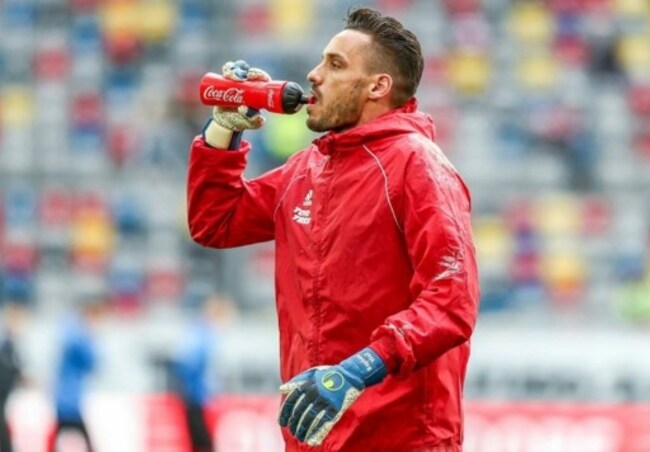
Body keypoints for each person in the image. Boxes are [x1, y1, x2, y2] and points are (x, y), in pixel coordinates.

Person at [187, 7, 479, 451]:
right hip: (314, 434)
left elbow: (452, 299)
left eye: (335, 64)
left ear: (378, 86)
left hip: (400, 438)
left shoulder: (416, 163)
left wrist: (359, 370)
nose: (314, 74)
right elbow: (215, 221)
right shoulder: (309, 167)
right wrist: (222, 129)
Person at [167, 293, 235, 452]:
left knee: (200, 439)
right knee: (203, 440)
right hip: (199, 398)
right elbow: (191, 365)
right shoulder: (203, 335)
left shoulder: (198, 333)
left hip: (197, 396)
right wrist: (196, 392)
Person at [49, 298, 104, 452]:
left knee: (62, 432)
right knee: (80, 434)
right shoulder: (78, 336)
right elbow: (93, 362)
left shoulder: (72, 333)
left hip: (67, 395)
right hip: (68, 397)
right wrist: (90, 336)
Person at [0, 303, 27, 452]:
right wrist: (20, 377)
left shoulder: (7, 347)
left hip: (4, 403)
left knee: (4, 442)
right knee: (4, 443)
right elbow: (7, 373)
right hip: (1, 403)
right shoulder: (4, 347)